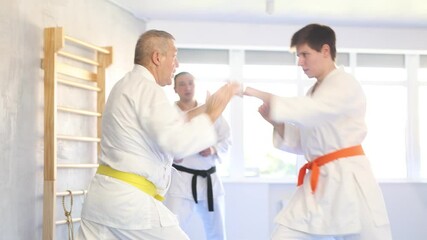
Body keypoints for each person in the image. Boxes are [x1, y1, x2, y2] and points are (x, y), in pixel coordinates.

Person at [76, 30, 240, 240]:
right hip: (129, 204)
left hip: (104, 199)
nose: (177, 64)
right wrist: (214, 112)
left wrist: (208, 108)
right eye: (174, 56)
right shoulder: (147, 89)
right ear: (157, 57)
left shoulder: (129, 84)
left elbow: (172, 121)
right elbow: (177, 143)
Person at [244, 23, 392, 240]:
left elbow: (312, 111)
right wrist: (277, 123)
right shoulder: (313, 92)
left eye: (304, 54)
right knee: (284, 234)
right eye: (298, 55)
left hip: (348, 180)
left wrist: (257, 93)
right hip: (317, 182)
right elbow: (308, 141)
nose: (300, 62)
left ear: (325, 50)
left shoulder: (344, 83)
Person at [164, 72, 231, 240]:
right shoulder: (169, 115)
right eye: (182, 84)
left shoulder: (210, 111)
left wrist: (213, 149)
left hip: (209, 179)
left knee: (217, 232)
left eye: (190, 83)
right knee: (172, 230)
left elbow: (226, 139)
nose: (187, 87)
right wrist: (172, 156)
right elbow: (161, 146)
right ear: (175, 89)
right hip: (180, 180)